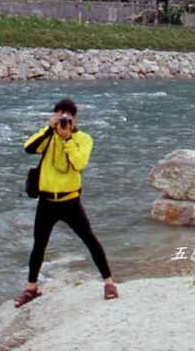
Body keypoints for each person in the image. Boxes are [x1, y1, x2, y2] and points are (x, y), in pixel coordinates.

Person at [14, 97, 119, 307]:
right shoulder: (48, 136)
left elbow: (80, 163)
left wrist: (68, 139)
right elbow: (28, 148)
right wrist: (48, 128)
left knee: (90, 240)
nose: (63, 121)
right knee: (39, 245)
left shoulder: (84, 139)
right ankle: (31, 288)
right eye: (59, 115)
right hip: (46, 202)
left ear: (74, 118)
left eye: (67, 117)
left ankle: (109, 282)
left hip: (70, 201)